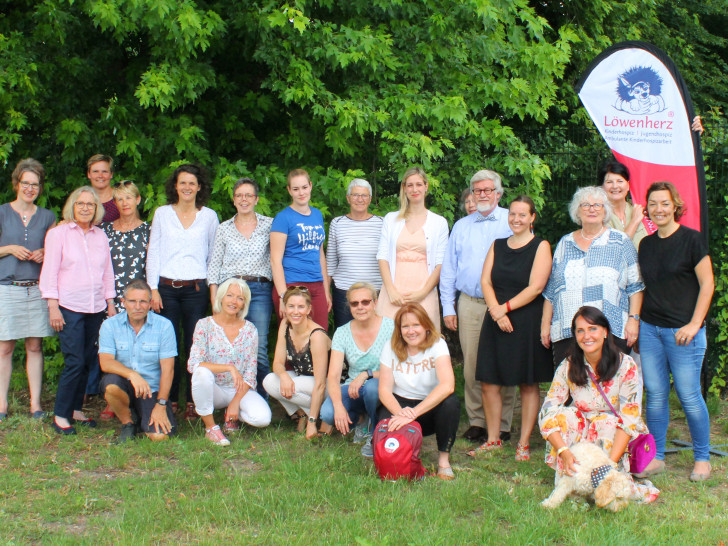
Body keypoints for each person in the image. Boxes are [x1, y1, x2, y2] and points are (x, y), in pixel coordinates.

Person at [538, 306, 659, 503]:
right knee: (564, 416)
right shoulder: (569, 365)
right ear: (575, 336)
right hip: (583, 429)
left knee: (606, 423)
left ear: (604, 332)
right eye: (580, 330)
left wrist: (607, 467)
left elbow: (629, 419)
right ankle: (572, 476)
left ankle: (610, 478)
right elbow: (547, 411)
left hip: (614, 431)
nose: (587, 336)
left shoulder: (626, 365)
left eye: (593, 329)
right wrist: (564, 451)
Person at [637, 181, 714, 482]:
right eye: (653, 204)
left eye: (664, 203)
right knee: (655, 395)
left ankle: (702, 458)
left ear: (675, 206)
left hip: (684, 333)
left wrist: (695, 324)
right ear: (648, 209)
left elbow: (708, 284)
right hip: (651, 330)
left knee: (689, 395)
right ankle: (655, 456)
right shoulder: (646, 244)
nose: (659, 209)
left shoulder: (692, 240)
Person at [470, 196, 553, 460]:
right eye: (512, 214)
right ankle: (494, 439)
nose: (516, 219)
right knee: (489, 381)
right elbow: (485, 280)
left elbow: (536, 287)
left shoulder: (541, 246)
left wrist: (503, 309)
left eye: (522, 215)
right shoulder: (497, 245)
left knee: (527, 383)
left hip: (525, 319)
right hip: (496, 319)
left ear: (532, 218)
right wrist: (496, 312)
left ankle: (524, 443)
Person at [440, 169, 514, 444]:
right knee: (471, 366)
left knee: (503, 364)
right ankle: (477, 421)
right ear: (471, 194)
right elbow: (448, 270)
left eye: (487, 190)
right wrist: (448, 307)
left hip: (504, 305)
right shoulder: (461, 226)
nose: (482, 195)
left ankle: (504, 423)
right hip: (469, 304)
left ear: (498, 192)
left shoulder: (512, 220)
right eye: (477, 190)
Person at [40, 186, 116, 434]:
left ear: (96, 209)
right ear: (72, 206)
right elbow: (49, 271)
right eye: (80, 203)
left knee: (86, 361)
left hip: (95, 306)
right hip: (68, 306)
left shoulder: (100, 236)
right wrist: (53, 306)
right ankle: (60, 414)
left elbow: (107, 272)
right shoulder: (58, 234)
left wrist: (111, 304)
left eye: (90, 204)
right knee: (74, 361)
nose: (85, 208)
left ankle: (75, 409)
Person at [147, 164, 219, 419]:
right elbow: (153, 252)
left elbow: (213, 256)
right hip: (165, 289)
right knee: (167, 346)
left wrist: (213, 292)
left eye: (192, 183)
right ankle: (167, 398)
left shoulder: (209, 216)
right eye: (182, 182)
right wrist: (153, 289)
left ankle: (192, 400)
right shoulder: (162, 214)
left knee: (194, 345)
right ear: (175, 186)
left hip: (195, 289)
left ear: (199, 186)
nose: (187, 187)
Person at [542, 186, 644, 365]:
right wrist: (545, 324)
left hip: (610, 330)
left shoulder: (621, 241)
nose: (592, 209)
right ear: (577, 211)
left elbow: (635, 287)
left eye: (598, 205)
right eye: (586, 205)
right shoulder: (565, 243)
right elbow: (552, 290)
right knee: (572, 388)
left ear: (605, 211)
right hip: (567, 331)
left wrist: (633, 320)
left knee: (608, 389)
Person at [378, 303, 460, 480]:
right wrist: (400, 413)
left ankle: (444, 462)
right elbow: (384, 390)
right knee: (383, 413)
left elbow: (448, 385)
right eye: (405, 326)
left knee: (451, 403)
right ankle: (392, 456)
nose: (411, 331)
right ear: (399, 330)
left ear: (426, 326)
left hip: (429, 408)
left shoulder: (438, 344)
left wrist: (414, 413)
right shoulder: (390, 347)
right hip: (401, 405)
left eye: (416, 325)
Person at [207, 177, 273, 397]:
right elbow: (214, 265)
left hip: (260, 289)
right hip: (231, 289)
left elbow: (278, 258)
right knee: (231, 346)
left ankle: (260, 397)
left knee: (260, 346)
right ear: (234, 200)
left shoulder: (270, 225)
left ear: (256, 199)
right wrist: (215, 300)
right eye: (239, 196)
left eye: (248, 195)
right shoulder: (224, 228)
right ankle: (229, 395)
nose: (243, 199)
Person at [0, 159, 55, 421]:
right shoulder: (2, 212)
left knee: (35, 346)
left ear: (40, 187)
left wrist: (46, 251)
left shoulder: (47, 216)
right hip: (8, 287)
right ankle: (1, 405)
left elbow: (57, 251)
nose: (30, 188)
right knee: (4, 348)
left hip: (36, 289)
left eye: (35, 184)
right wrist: (9, 249)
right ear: (16, 184)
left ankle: (35, 405)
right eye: (26, 183)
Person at [188, 278, 272, 446]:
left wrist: (235, 403)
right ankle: (211, 427)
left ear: (244, 304)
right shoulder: (204, 325)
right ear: (221, 297)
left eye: (240, 298)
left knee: (262, 419)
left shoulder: (249, 330)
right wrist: (228, 368)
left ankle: (232, 414)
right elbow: (193, 363)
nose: (234, 301)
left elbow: (250, 372)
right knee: (201, 373)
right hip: (214, 389)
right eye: (230, 295)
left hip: (239, 389)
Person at [320, 282, 394, 457]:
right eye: (355, 303)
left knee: (372, 387)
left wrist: (366, 375)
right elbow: (333, 376)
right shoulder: (342, 332)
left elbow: (397, 369)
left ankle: (374, 430)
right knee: (328, 413)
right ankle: (361, 420)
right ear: (350, 307)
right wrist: (338, 406)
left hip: (381, 385)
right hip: (352, 388)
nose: (360, 307)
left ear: (375, 303)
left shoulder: (390, 327)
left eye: (365, 302)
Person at [98, 279, 177, 442]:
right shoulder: (109, 326)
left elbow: (168, 370)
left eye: (143, 301)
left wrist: (161, 404)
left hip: (151, 390)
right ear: (123, 302)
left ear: (150, 303)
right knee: (111, 385)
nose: (138, 306)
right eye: (132, 301)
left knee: (159, 437)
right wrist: (133, 375)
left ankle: (141, 415)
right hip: (124, 385)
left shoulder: (164, 326)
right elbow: (105, 363)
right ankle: (128, 423)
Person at [376, 167, 448, 331]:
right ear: (404, 188)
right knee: (389, 338)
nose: (414, 189)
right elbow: (382, 257)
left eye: (418, 184)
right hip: (394, 291)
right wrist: (391, 290)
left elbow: (440, 263)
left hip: (424, 290)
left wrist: (423, 293)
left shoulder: (439, 223)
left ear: (426, 186)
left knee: (423, 338)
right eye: (409, 185)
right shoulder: (391, 219)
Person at [263, 286, 331, 439]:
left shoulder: (316, 335)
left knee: (293, 385)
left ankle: (316, 416)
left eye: (301, 307)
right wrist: (284, 376)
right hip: (304, 379)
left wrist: (312, 425)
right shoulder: (285, 325)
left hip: (329, 386)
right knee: (270, 381)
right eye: (291, 306)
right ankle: (303, 414)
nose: (295, 311)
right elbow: (278, 363)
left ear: (308, 309)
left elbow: (320, 384)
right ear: (285, 308)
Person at [270, 169, 330, 328]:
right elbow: (275, 260)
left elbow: (320, 254)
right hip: (292, 285)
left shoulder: (317, 215)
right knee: (293, 341)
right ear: (289, 190)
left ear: (310, 186)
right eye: (296, 189)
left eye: (304, 187)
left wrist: (326, 290)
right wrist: (283, 296)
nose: (301, 193)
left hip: (317, 285)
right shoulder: (282, 218)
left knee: (320, 336)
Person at [326, 178, 383, 328]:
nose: (359, 199)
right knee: (345, 337)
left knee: (376, 337)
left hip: (375, 292)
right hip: (344, 292)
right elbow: (330, 263)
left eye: (364, 195)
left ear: (370, 199)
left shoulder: (382, 224)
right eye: (355, 195)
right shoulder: (337, 224)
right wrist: (326, 292)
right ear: (348, 198)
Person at [101, 181, 150, 313]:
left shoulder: (149, 230)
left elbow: (153, 266)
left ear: (137, 199)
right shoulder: (104, 230)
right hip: (110, 298)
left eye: (128, 198)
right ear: (115, 203)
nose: (125, 203)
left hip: (139, 298)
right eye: (120, 199)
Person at [599, 161, 648, 248]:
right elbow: (617, 250)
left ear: (628, 185)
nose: (615, 186)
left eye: (620, 181)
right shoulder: (598, 216)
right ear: (602, 187)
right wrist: (634, 221)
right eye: (609, 182)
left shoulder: (639, 210)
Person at [86, 154, 119, 222]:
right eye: (95, 171)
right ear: (89, 174)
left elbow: (133, 224)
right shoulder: (82, 199)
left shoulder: (120, 198)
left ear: (111, 174)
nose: (100, 176)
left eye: (104, 171)